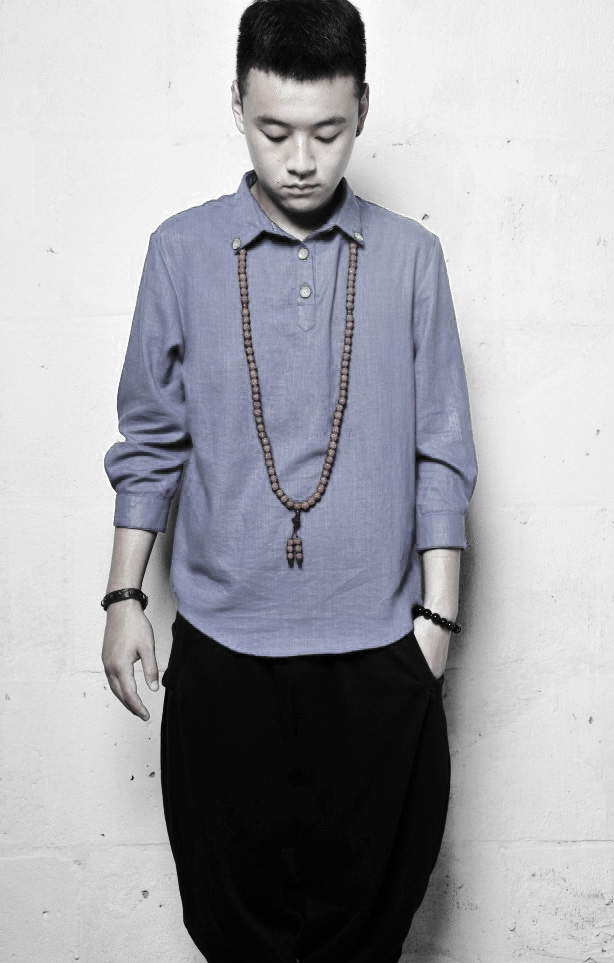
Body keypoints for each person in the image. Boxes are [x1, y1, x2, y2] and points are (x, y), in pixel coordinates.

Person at [101, 1, 478, 960]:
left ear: (363, 109)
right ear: (237, 106)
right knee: (234, 933)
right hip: (223, 656)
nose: (302, 160)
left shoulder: (412, 258)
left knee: (370, 933)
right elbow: (151, 437)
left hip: (381, 654)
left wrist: (435, 624)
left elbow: (442, 448)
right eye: (275, 132)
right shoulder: (181, 251)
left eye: (328, 132)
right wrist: (123, 595)